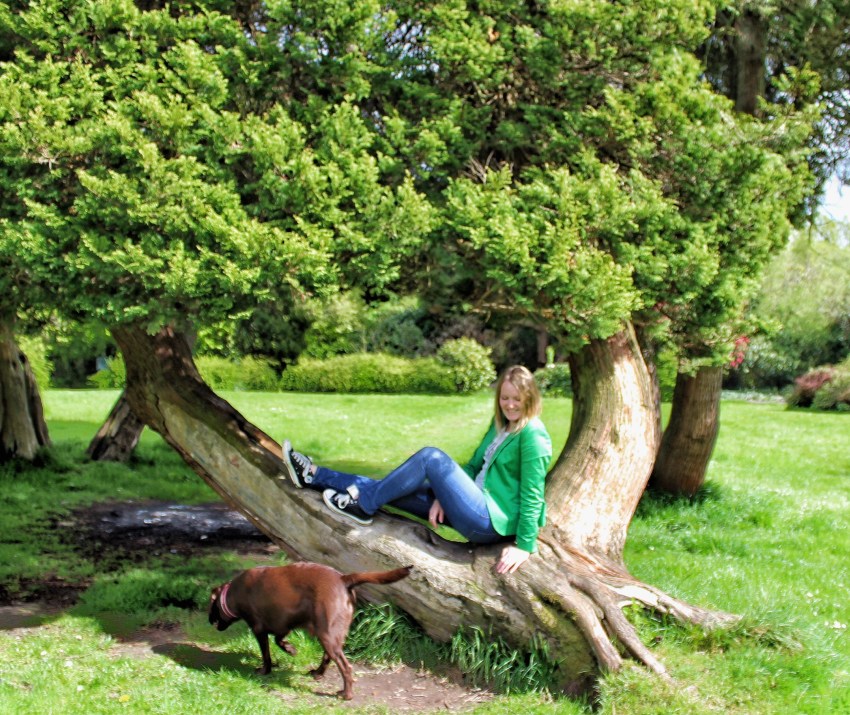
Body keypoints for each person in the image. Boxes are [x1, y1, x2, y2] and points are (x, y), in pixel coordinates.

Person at [282, 365, 552, 574]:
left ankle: (362, 504)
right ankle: (314, 475)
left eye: (517, 398)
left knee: (431, 457)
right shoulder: (501, 425)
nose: (510, 405)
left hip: (488, 521)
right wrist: (445, 498)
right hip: (469, 505)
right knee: (389, 487)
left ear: (530, 398)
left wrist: (524, 547)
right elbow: (471, 467)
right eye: (505, 398)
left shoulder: (533, 435)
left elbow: (532, 494)